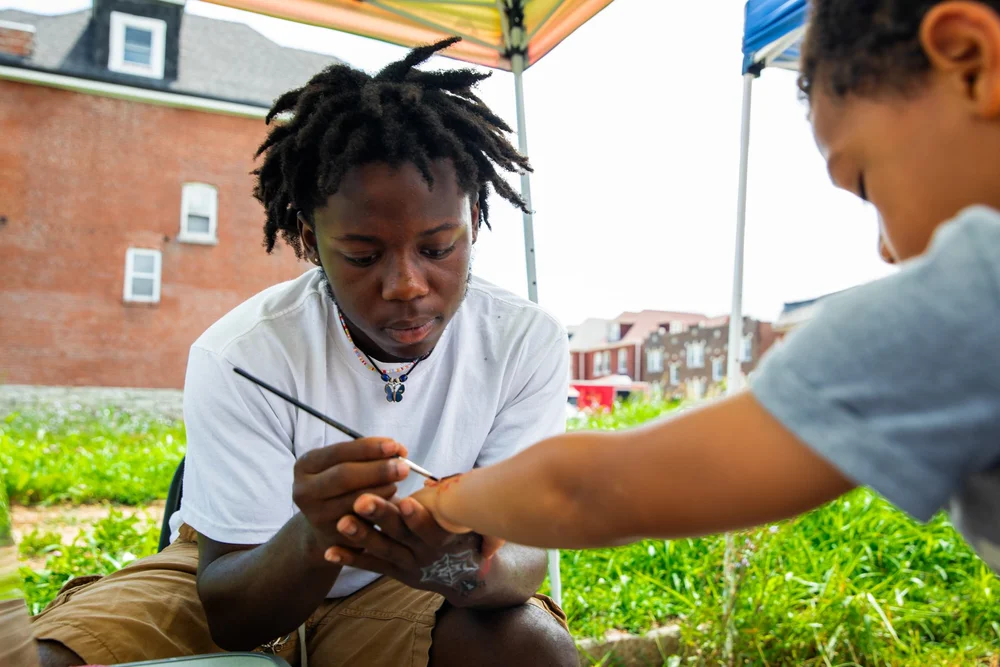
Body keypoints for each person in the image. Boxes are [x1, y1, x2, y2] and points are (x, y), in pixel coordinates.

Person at [385, 0, 1000, 574]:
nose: (885, 248)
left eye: (864, 182)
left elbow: (588, 491)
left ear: (969, 61)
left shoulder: (972, 291)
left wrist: (446, 504)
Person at [31, 38, 578, 667]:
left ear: (474, 218)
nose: (406, 285)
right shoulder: (240, 354)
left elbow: (525, 557)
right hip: (244, 568)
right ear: (308, 240)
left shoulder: (522, 342)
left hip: (404, 593)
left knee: (531, 652)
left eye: (438, 247)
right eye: (363, 255)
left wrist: (454, 564)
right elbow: (233, 613)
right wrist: (317, 534)